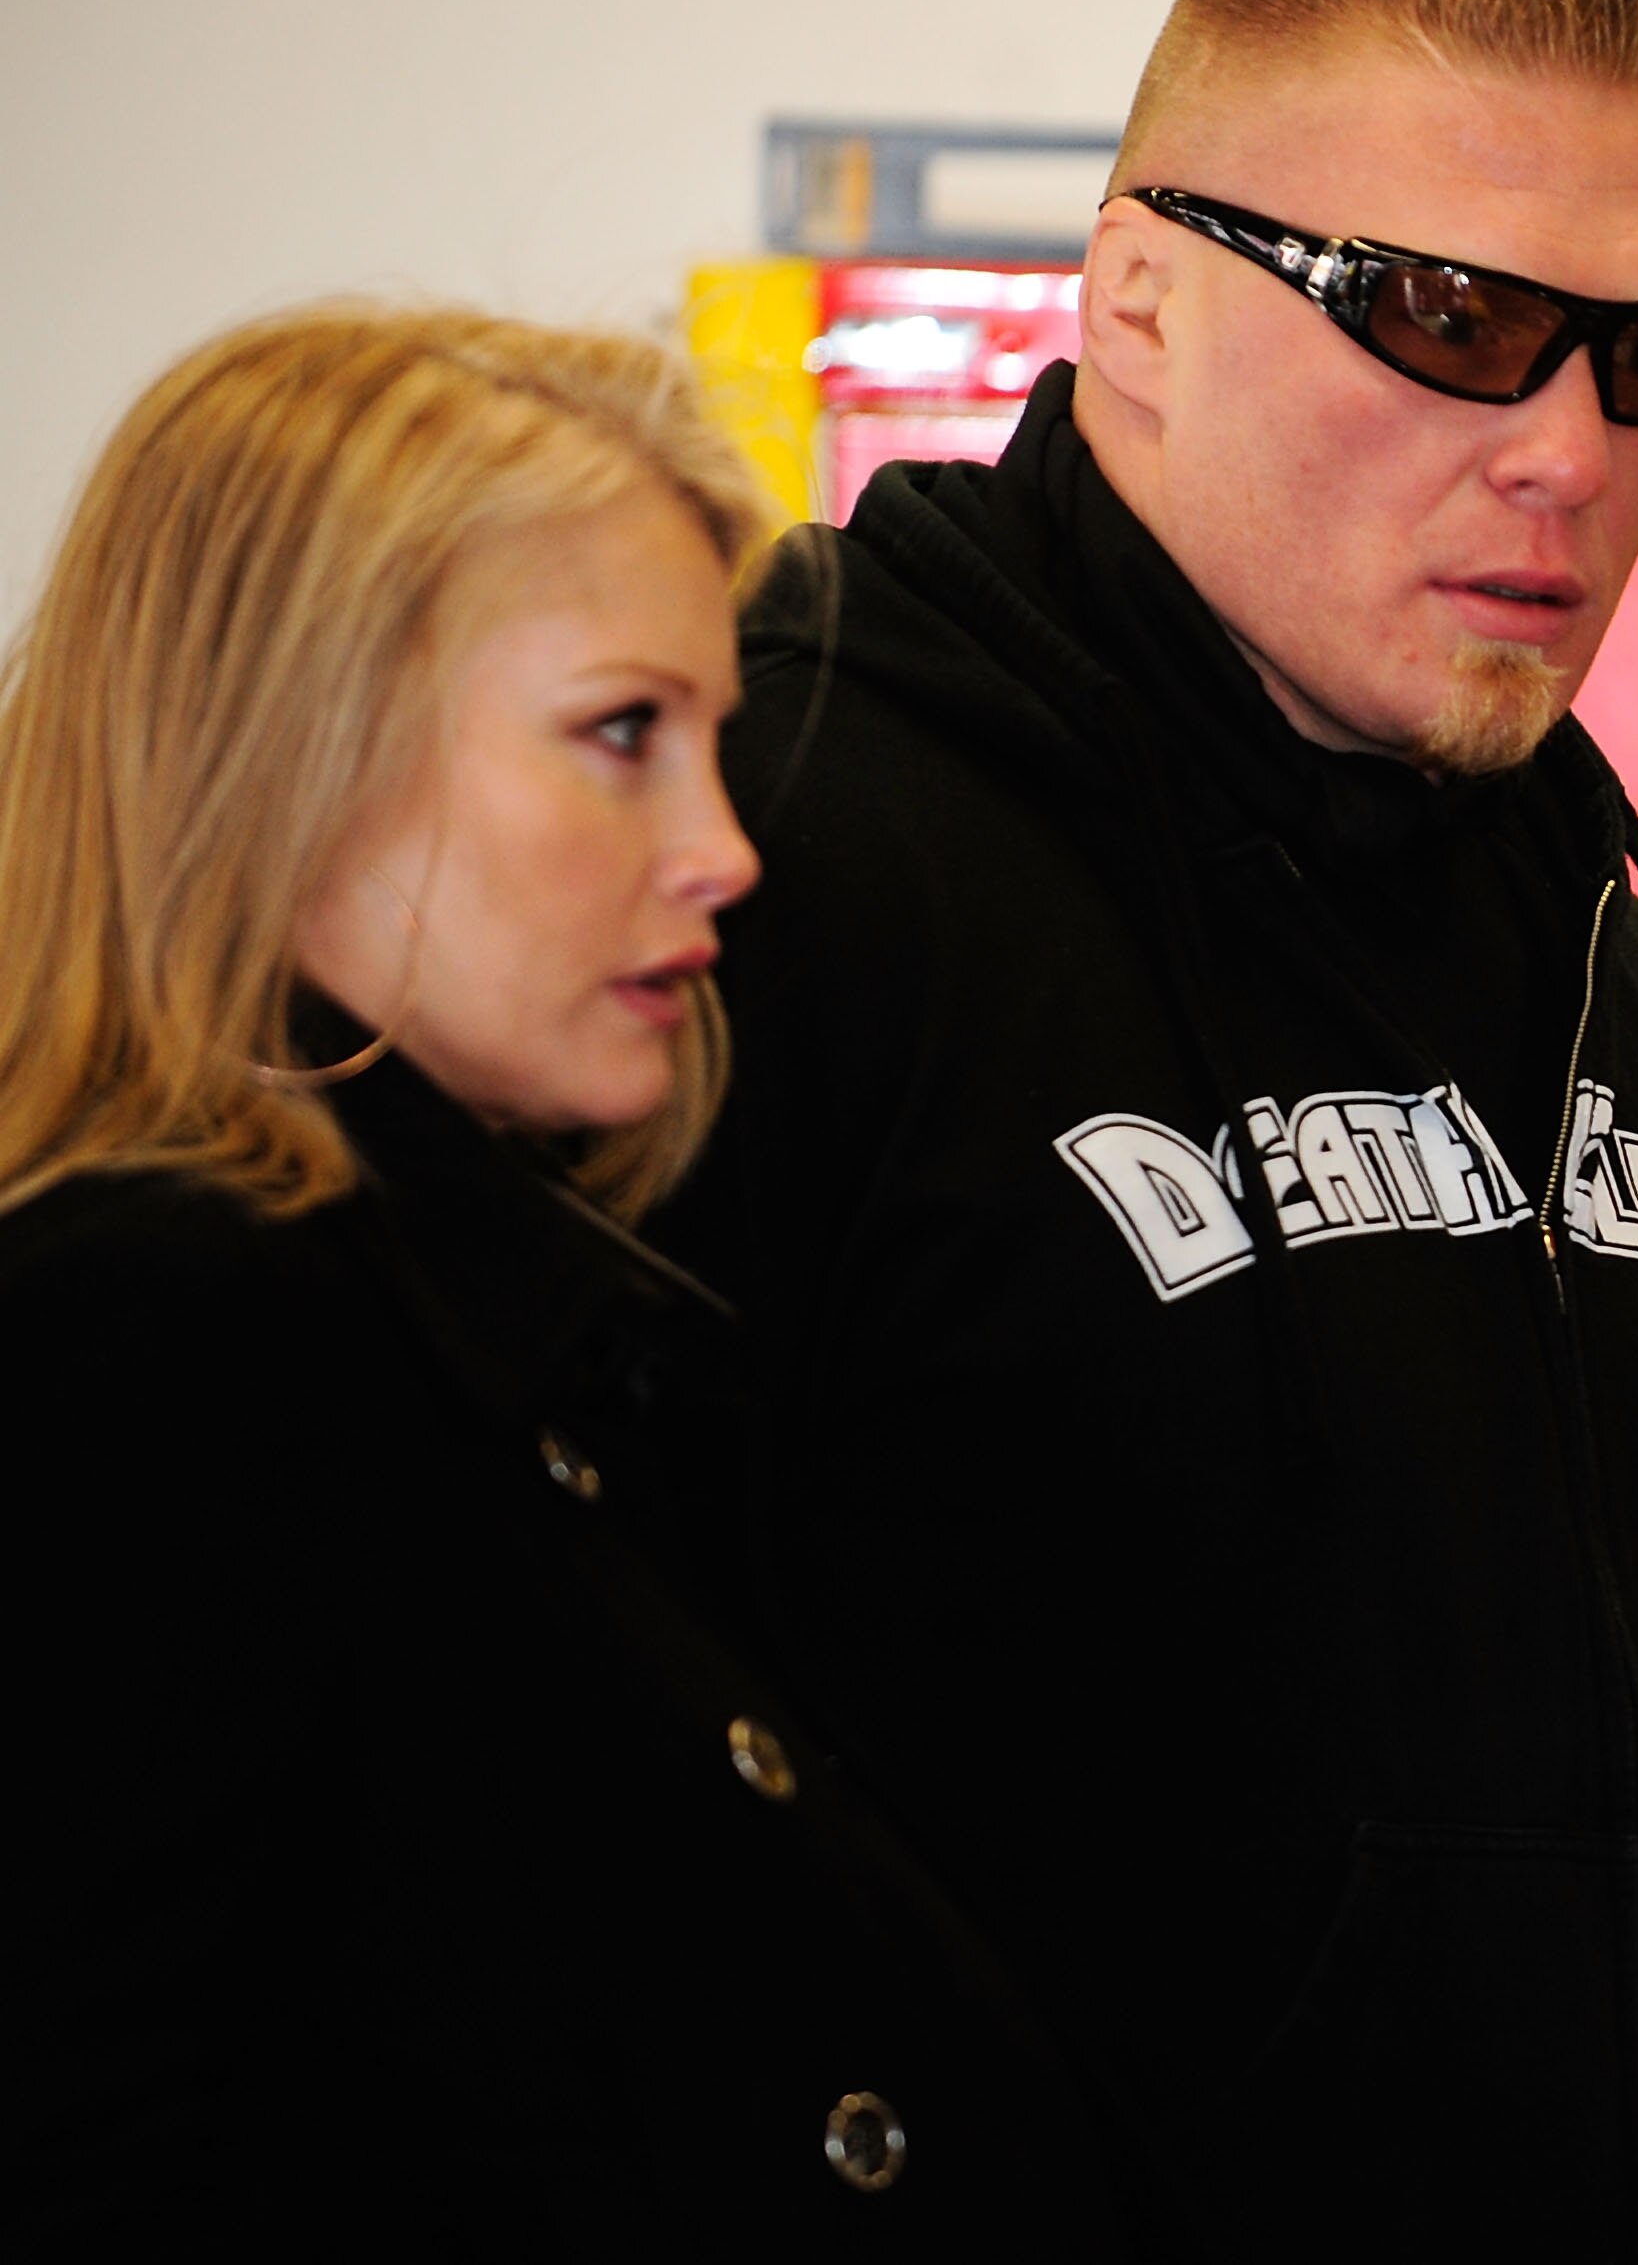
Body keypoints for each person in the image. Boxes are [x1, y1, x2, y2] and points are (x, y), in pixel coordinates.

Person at [646, 0, 1638, 2248]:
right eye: (1442, 315)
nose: (1565, 452)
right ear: (1135, 305)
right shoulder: (775, 830)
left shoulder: (1601, 923)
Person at [0, 306, 1129, 2249]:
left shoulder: (489, 1333)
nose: (722, 850)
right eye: (623, 734)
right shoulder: (154, 1329)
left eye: (715, 740)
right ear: (289, 746)